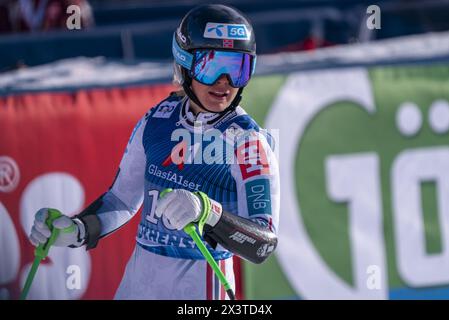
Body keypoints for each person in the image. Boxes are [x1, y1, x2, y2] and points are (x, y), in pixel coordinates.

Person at [28, 4, 280, 300]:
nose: (225, 82)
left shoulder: (249, 142)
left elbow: (263, 244)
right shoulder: (158, 118)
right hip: (138, 282)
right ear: (185, 64)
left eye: (238, 68)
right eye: (211, 67)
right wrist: (78, 228)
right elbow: (122, 197)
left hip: (200, 289)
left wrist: (209, 213)